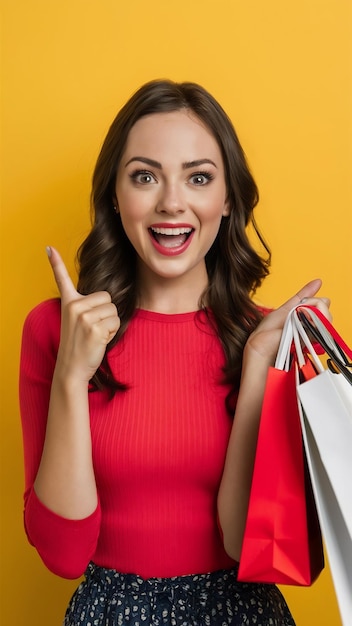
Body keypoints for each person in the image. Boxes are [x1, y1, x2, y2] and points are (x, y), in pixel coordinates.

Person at [19, 79, 330, 626]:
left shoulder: (267, 341)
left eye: (199, 177)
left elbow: (241, 545)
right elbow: (63, 557)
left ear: (228, 197)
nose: (171, 202)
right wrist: (72, 376)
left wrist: (258, 368)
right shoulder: (56, 330)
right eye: (145, 176)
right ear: (115, 196)